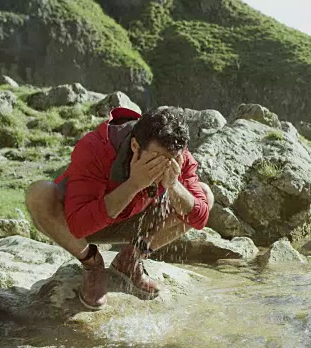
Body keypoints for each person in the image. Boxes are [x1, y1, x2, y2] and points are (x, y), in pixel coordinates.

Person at [25, 107, 213, 310]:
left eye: (172, 160)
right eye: (155, 159)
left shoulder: (179, 154)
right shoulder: (96, 146)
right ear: (135, 145)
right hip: (88, 225)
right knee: (39, 194)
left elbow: (199, 218)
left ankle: (129, 261)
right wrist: (134, 184)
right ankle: (93, 265)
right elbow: (79, 226)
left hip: (135, 220)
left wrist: (174, 185)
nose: (163, 167)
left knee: (204, 194)